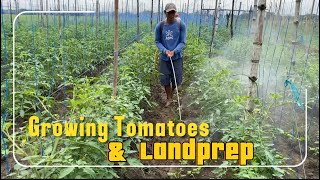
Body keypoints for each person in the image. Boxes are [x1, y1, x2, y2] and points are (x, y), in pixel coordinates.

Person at [155, 3, 187, 107]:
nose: (171, 14)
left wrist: (174, 51)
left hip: (177, 57)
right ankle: (169, 97)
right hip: (165, 58)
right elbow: (157, 41)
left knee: (176, 79)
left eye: (173, 12)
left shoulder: (181, 24)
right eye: (169, 12)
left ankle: (172, 94)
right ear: (165, 13)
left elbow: (182, 42)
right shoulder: (160, 26)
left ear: (175, 12)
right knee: (165, 79)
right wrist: (165, 50)